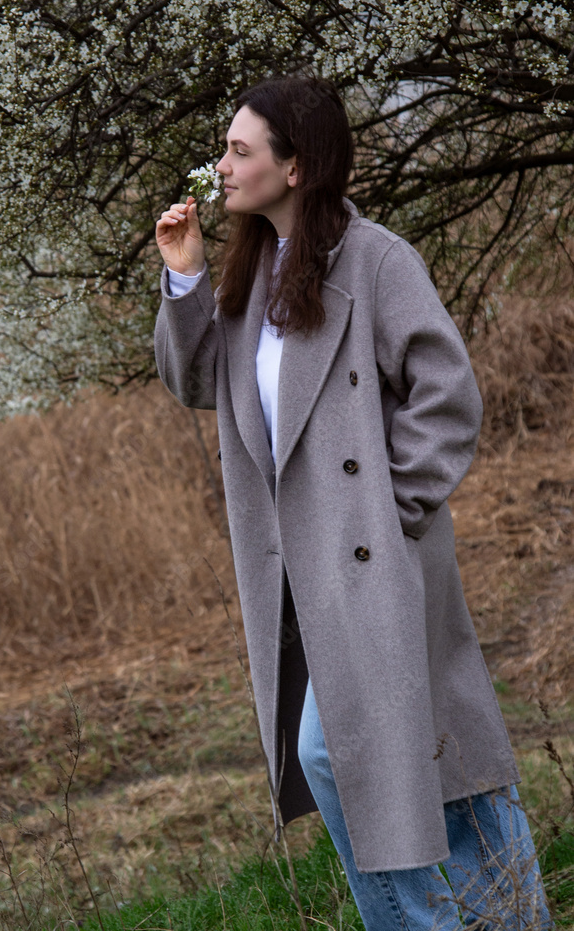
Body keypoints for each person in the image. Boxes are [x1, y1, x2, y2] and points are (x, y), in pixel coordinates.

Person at [153, 71, 553, 930]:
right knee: (410, 751)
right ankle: (487, 918)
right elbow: (199, 384)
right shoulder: (253, 271)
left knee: (369, 749)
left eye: (239, 151)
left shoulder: (376, 261)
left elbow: (446, 393)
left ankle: (451, 921)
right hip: (298, 569)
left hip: (376, 557)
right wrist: (183, 278)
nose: (221, 166)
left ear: (294, 166)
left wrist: (391, 508)